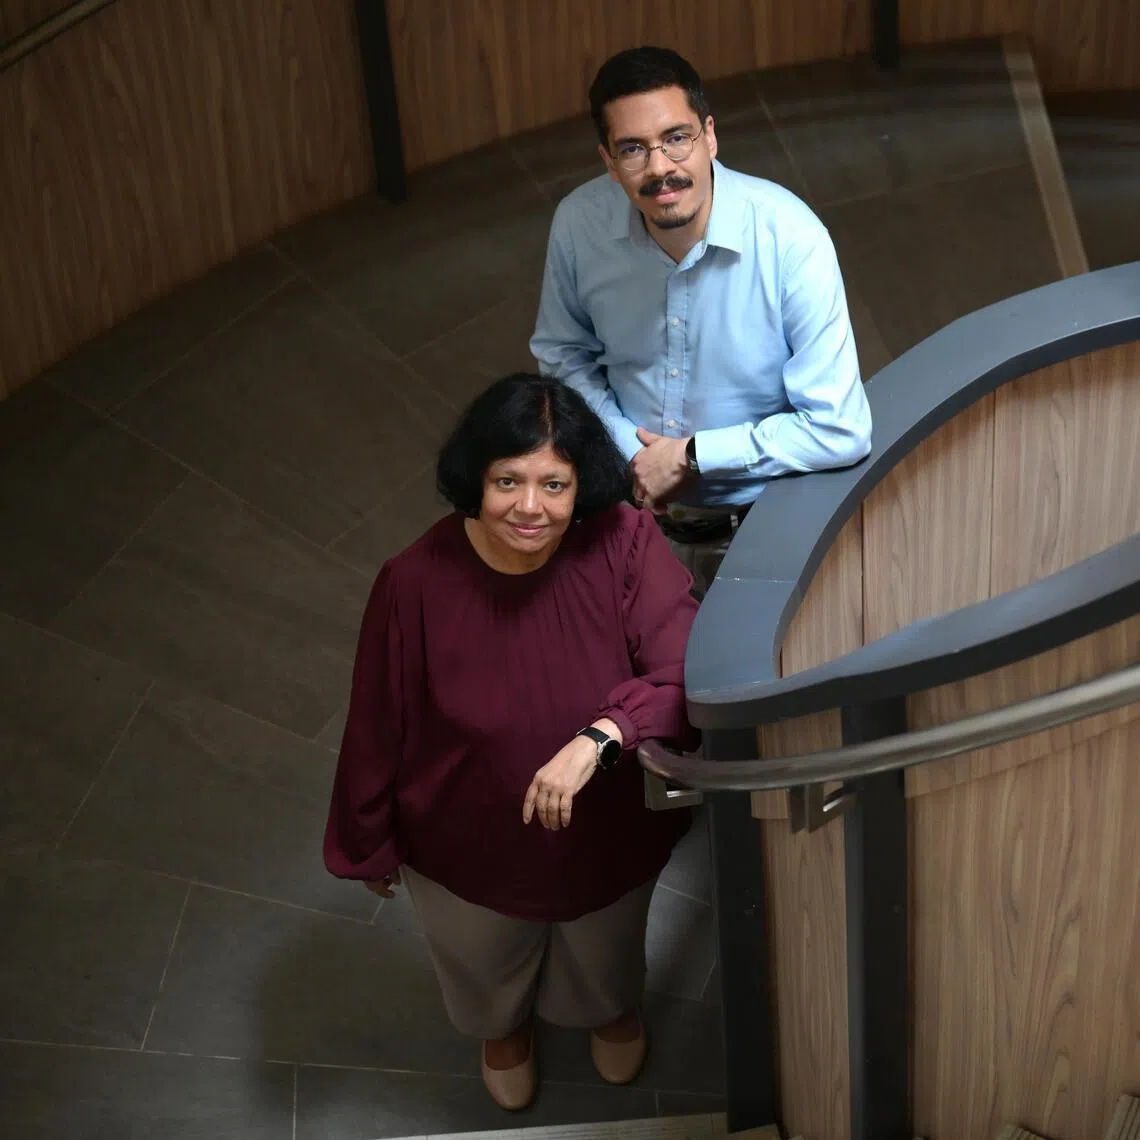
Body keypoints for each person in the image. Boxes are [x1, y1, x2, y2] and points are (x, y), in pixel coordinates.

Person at [323, 373, 699, 1111]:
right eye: (508, 481)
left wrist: (603, 734)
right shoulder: (412, 582)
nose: (531, 507)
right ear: (477, 478)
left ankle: (609, 1008)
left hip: (604, 826)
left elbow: (685, 669)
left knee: (606, 945)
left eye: (554, 485)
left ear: (581, 486)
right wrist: (367, 838)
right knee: (480, 955)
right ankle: (504, 1030)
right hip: (466, 832)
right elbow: (376, 720)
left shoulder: (624, 540)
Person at [530, 45, 873, 595]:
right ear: (609, 162)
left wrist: (692, 457)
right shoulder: (578, 224)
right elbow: (563, 354)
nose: (660, 167)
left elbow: (841, 429)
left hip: (765, 527)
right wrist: (633, 453)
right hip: (626, 520)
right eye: (633, 149)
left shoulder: (792, 239)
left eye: (676, 138)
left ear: (710, 135)